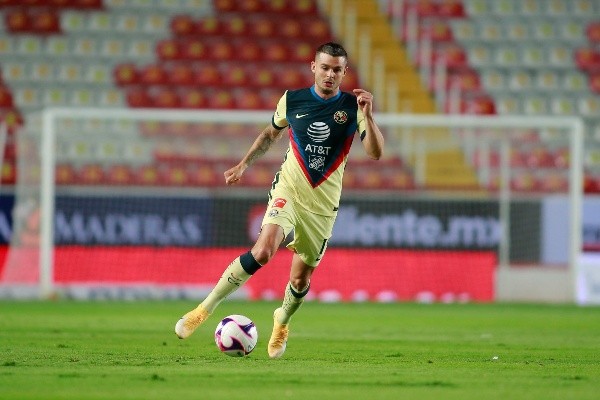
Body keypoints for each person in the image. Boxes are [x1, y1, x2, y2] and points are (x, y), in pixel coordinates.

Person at [175, 42, 384, 359]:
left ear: (344, 72)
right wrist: (244, 164)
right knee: (262, 250)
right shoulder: (292, 99)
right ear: (313, 66)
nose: (330, 74)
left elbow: (375, 153)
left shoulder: (353, 107)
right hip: (289, 189)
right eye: (324, 67)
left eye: (337, 69)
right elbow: (269, 135)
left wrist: (369, 116)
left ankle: (282, 320)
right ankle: (204, 309)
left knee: (300, 278)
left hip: (323, 205)